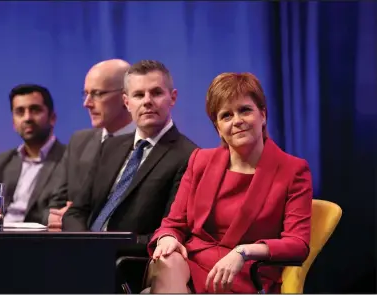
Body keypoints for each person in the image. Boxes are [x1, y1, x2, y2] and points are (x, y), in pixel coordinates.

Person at [147, 73, 312, 293]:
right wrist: (167, 238)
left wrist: (244, 252)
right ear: (218, 127)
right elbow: (174, 223)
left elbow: (297, 244)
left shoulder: (293, 170)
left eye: (245, 110)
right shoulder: (200, 160)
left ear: (262, 115)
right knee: (166, 259)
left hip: (243, 271)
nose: (237, 121)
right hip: (191, 263)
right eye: (226, 115)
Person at [62, 60, 197, 246]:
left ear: (172, 98)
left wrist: (103, 246)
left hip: (128, 262)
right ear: (126, 102)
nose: (147, 101)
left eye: (156, 93)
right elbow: (76, 212)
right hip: (82, 252)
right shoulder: (109, 147)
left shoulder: (189, 156)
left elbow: (169, 234)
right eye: (139, 95)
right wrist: (84, 243)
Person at [46, 59, 136, 228]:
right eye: (86, 93)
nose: (86, 103)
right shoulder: (79, 141)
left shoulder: (143, 146)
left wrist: (76, 217)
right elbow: (54, 203)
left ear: (126, 97)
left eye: (97, 93)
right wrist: (60, 217)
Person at [0, 84, 65, 225]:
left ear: (52, 118)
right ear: (13, 123)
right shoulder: (1, 163)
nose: (27, 118)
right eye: (20, 112)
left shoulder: (68, 159)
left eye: (35, 110)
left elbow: (57, 212)